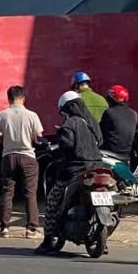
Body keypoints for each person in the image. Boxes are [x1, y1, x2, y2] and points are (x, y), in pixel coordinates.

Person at [36, 91, 103, 254]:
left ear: (68, 108)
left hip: (75, 171)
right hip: (97, 167)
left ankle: (48, 241)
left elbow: (66, 148)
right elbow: (100, 141)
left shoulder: (69, 124)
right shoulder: (92, 122)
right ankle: (102, 241)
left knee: (52, 200)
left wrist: (54, 149)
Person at [0, 86, 44, 239]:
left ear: (9, 99)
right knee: (30, 193)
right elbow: (38, 138)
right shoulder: (32, 115)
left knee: (7, 192)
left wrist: (6, 138)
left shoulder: (1, 115)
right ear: (24, 98)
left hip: (8, 157)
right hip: (27, 156)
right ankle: (31, 229)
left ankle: (4, 228)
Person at [100, 85, 138, 158]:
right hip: (128, 153)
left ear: (112, 99)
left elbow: (101, 132)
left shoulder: (109, 112)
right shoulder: (134, 113)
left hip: (112, 152)